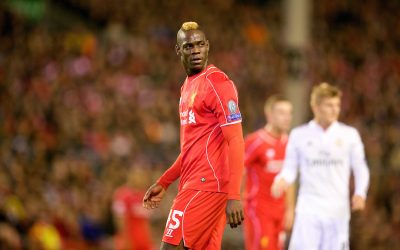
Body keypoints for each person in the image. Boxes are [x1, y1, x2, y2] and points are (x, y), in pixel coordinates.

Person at [142, 21, 245, 250]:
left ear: (208, 47)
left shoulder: (217, 83)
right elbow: (191, 149)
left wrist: (234, 195)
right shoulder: (187, 87)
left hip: (206, 184)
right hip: (196, 183)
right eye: (189, 46)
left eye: (200, 45)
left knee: (170, 247)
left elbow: (236, 140)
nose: (196, 50)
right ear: (178, 50)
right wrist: (165, 181)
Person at [271, 83, 370, 250]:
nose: (335, 110)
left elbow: (360, 167)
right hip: (308, 210)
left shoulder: (349, 135)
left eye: (337, 105)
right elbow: (289, 169)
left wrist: (360, 192)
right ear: (315, 107)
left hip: (337, 212)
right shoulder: (299, 135)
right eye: (329, 105)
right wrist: (281, 180)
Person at [243, 95, 295, 250]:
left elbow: (290, 178)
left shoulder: (291, 144)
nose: (287, 117)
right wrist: (237, 199)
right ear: (269, 115)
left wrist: (290, 209)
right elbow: (238, 170)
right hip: (258, 210)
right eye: (281, 113)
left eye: (289, 113)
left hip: (280, 212)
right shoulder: (255, 141)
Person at [113, 167, 154, 250]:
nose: (141, 179)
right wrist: (125, 240)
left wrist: (150, 239)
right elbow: (120, 220)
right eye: (138, 176)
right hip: (129, 240)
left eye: (142, 177)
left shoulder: (146, 196)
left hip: (144, 240)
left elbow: (146, 222)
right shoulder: (122, 195)